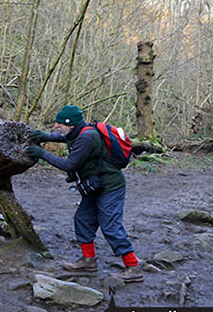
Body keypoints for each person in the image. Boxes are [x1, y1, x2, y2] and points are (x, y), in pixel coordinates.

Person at [25, 105, 143, 283]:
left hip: (110, 186)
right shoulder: (79, 131)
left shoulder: (87, 137)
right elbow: (65, 136)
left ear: (70, 124)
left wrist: (42, 153)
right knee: (83, 219)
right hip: (95, 185)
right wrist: (47, 137)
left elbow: (68, 165)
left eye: (59, 124)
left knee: (110, 226)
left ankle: (133, 268)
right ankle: (88, 261)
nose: (56, 126)